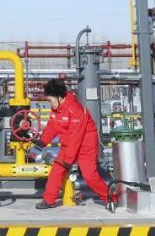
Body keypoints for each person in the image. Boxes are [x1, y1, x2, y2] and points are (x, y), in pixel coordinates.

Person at [32, 78, 111, 209]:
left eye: (50, 99)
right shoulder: (56, 110)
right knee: (56, 171)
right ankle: (48, 200)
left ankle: (110, 198)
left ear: (59, 97)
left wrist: (68, 160)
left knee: (89, 176)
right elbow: (52, 126)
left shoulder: (75, 110)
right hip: (68, 145)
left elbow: (76, 137)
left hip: (85, 147)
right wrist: (43, 141)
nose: (49, 103)